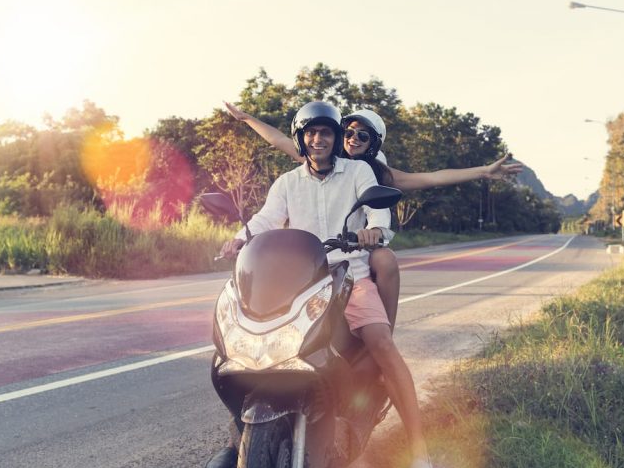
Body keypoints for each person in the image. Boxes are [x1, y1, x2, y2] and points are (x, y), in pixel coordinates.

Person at [202, 100, 434, 468]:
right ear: (301, 139)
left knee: (381, 343)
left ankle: (419, 450)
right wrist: (240, 238)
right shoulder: (288, 183)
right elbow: (265, 220)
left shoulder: (357, 171)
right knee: (248, 346)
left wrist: (373, 230)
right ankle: (238, 437)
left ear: (334, 138)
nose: (318, 139)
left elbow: (378, 212)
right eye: (310, 132)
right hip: (300, 281)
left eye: (325, 132)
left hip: (350, 277)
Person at [223, 101, 523, 325]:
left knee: (385, 259)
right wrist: (248, 118)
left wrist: (484, 171)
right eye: (350, 132)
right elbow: (280, 140)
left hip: (364, 243)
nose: (353, 139)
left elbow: (434, 177)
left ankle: (383, 328)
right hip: (320, 252)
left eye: (363, 136)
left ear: (373, 143)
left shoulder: (376, 171)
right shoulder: (323, 154)